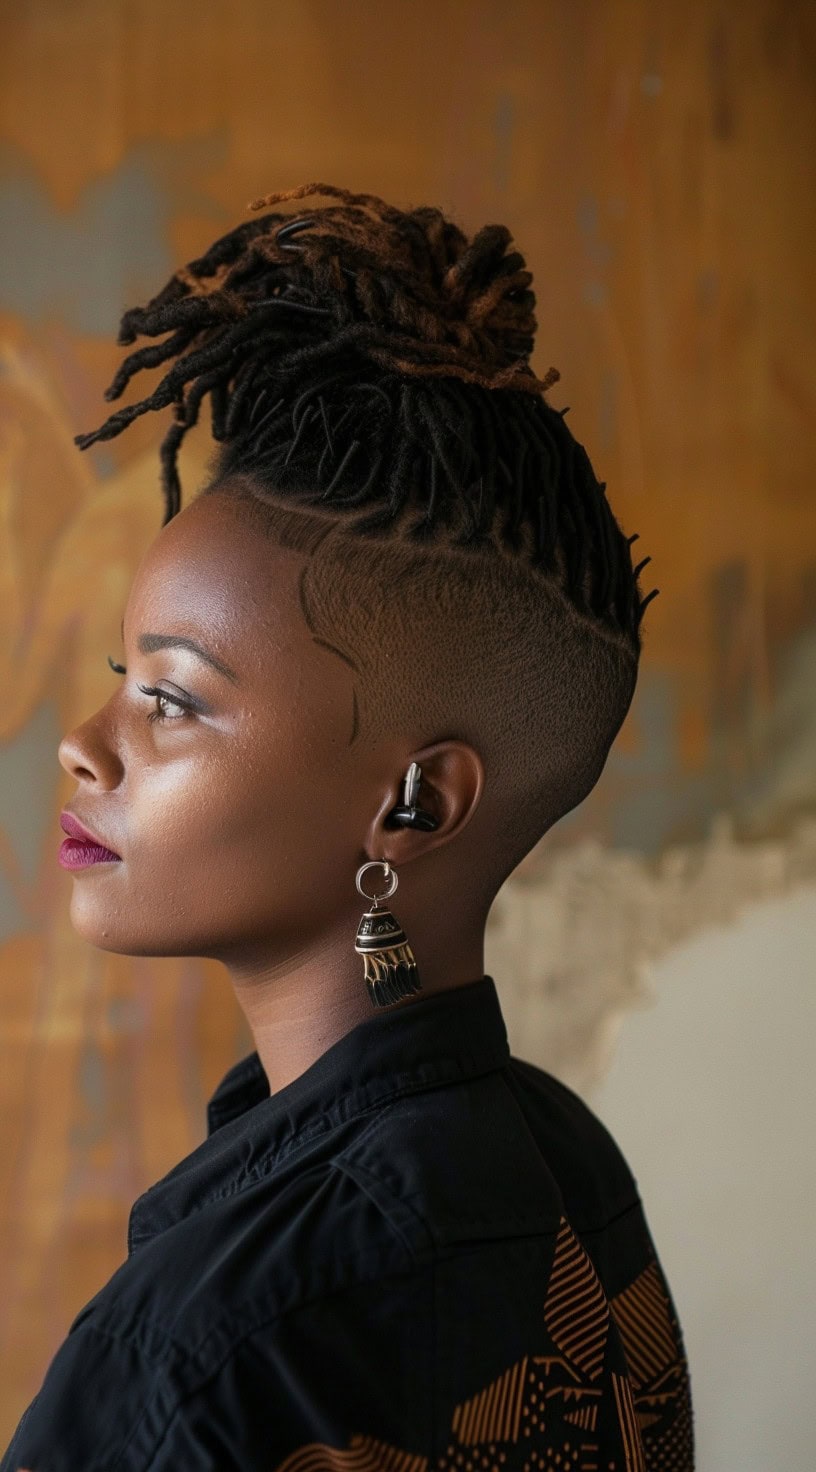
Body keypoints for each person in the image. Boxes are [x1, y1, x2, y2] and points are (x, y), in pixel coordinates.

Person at [2, 182, 694, 1471]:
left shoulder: (195, 1350)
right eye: (117, 675)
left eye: (169, 698)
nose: (82, 745)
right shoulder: (571, 1178)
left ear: (415, 801)